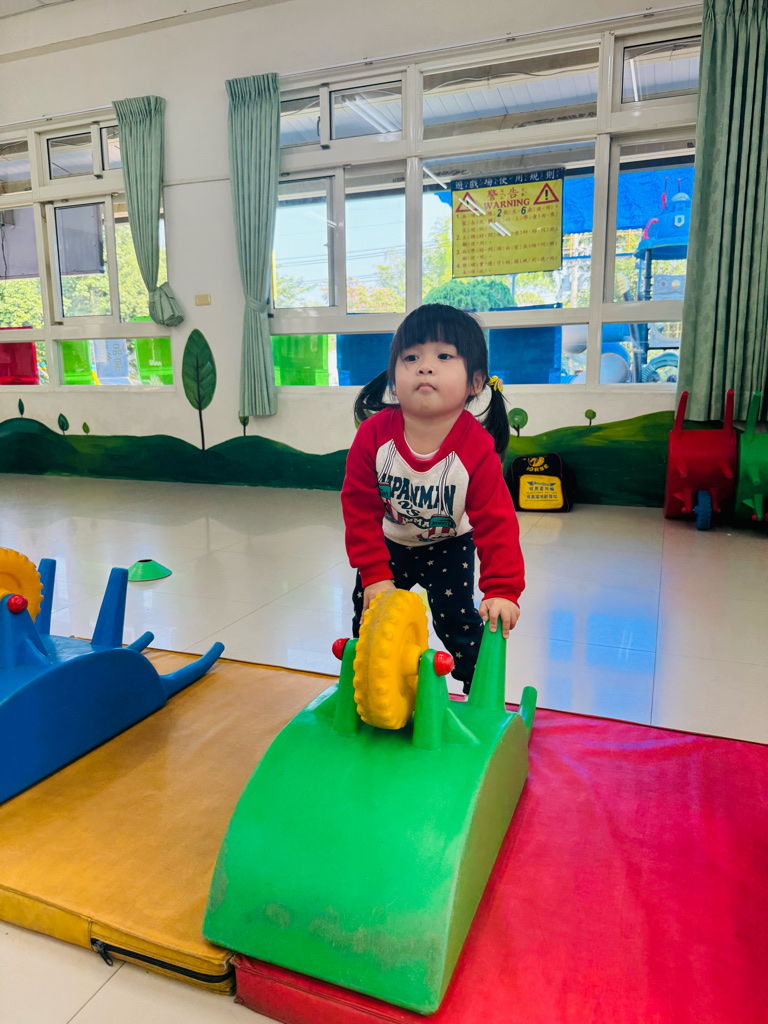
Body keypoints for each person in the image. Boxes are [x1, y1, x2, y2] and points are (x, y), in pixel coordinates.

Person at [341, 303, 524, 694]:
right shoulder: (373, 436)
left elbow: (497, 522)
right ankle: (370, 687)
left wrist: (502, 590)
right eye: (411, 358)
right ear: (394, 381)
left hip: (449, 547)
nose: (425, 367)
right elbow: (358, 509)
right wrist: (374, 574)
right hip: (389, 545)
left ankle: (481, 694)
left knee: (459, 625)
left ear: (475, 382)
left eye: (444, 356)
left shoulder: (476, 448)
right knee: (369, 621)